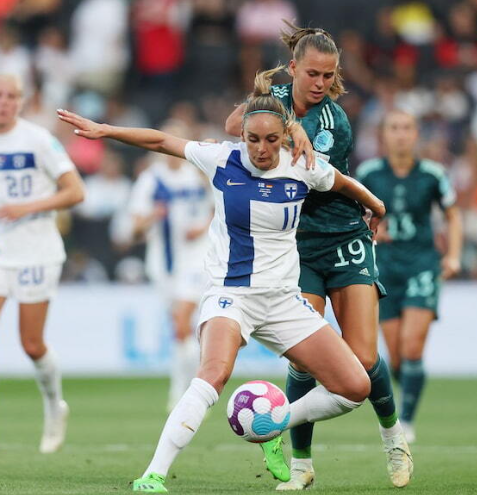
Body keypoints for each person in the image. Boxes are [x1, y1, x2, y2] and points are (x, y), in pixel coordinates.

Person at [57, 66, 385, 494]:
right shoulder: (220, 159)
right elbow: (160, 140)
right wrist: (105, 130)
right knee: (213, 372)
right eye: (253, 140)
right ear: (241, 136)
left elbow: (342, 183)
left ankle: (274, 421)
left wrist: (375, 206)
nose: (262, 150)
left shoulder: (302, 166)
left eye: (271, 140)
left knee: (354, 387)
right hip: (231, 295)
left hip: (283, 300)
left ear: (284, 136)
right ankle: (154, 473)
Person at [225, 21, 413, 490]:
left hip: (344, 238)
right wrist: (278, 114)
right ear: (293, 69)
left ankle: (393, 437)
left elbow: (304, 165)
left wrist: (281, 123)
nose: (320, 84)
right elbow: (233, 127)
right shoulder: (274, 104)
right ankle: (302, 465)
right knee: (306, 361)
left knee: (364, 358)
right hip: (298, 247)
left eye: (328, 76)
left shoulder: (335, 124)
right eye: (312, 73)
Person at [356, 109, 463, 443]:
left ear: (416, 135)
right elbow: (354, 215)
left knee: (412, 347)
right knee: (397, 357)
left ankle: (408, 421)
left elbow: (453, 215)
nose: (400, 134)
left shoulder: (432, 174)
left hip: (421, 265)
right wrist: (371, 228)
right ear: (383, 135)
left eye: (406, 128)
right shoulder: (369, 172)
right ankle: (407, 395)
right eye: (394, 128)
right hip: (384, 267)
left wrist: (454, 256)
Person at [0, 74, 85, 453]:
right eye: (0, 96)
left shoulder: (37, 140)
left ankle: (54, 406)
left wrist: (26, 207)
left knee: (31, 345)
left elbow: (75, 191)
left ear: (22, 100)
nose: (5, 102)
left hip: (36, 252)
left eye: (12, 96)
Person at [129, 120, 212, 411]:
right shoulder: (151, 180)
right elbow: (135, 229)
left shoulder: (198, 175)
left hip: (196, 258)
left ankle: (183, 393)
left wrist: (204, 227)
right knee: (181, 330)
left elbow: (221, 205)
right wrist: (154, 215)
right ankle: (189, 387)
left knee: (180, 324)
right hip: (163, 264)